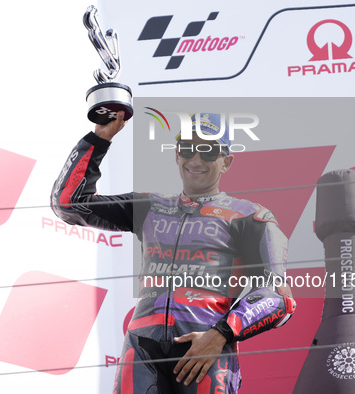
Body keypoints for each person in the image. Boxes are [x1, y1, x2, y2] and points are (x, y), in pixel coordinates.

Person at [51, 111, 296, 393]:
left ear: (226, 161)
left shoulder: (250, 216)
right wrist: (100, 137)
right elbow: (69, 204)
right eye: (188, 149)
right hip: (141, 348)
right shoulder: (150, 206)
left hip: (205, 349)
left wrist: (221, 334)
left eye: (207, 151)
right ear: (176, 155)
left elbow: (278, 297)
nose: (195, 159)